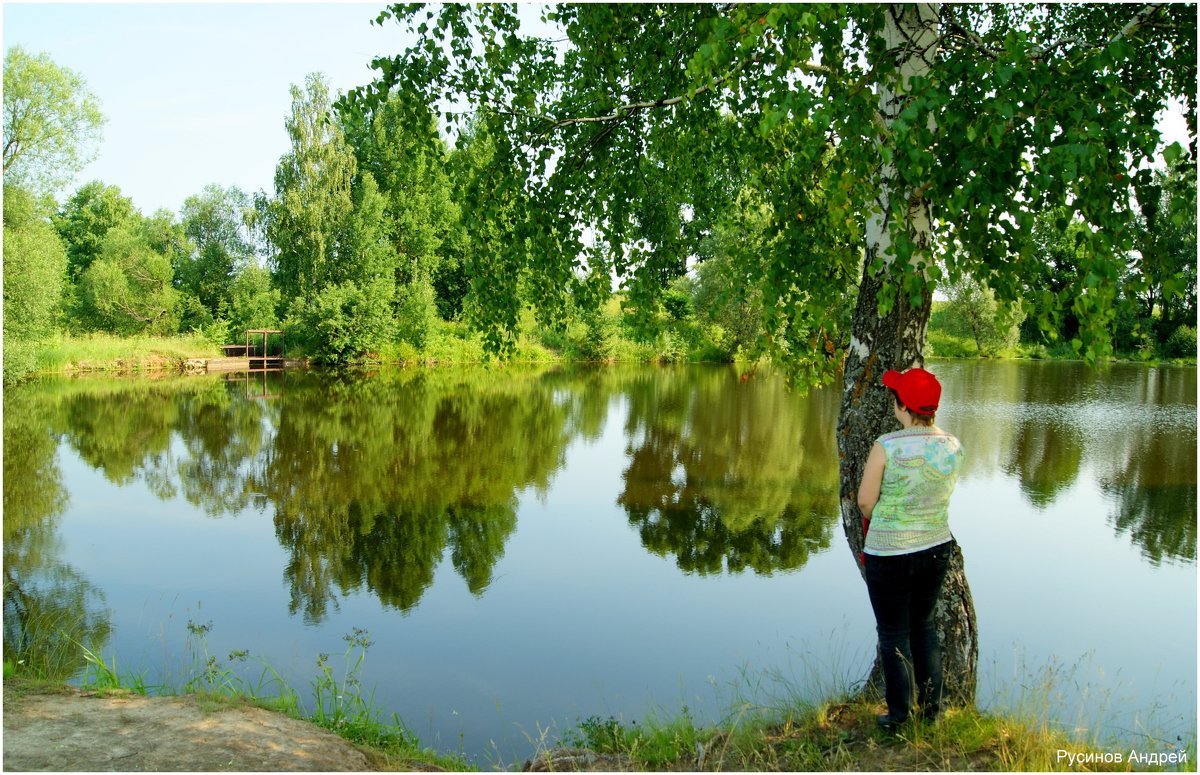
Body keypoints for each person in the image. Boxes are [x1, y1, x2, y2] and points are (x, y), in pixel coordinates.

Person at [857, 366, 964, 732]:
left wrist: (883, 519)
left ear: (902, 406)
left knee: (892, 634)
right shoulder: (952, 445)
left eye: (895, 397)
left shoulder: (886, 446)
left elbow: (865, 502)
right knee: (924, 626)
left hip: (890, 554)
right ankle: (932, 711)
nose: (893, 402)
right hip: (936, 547)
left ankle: (899, 716)